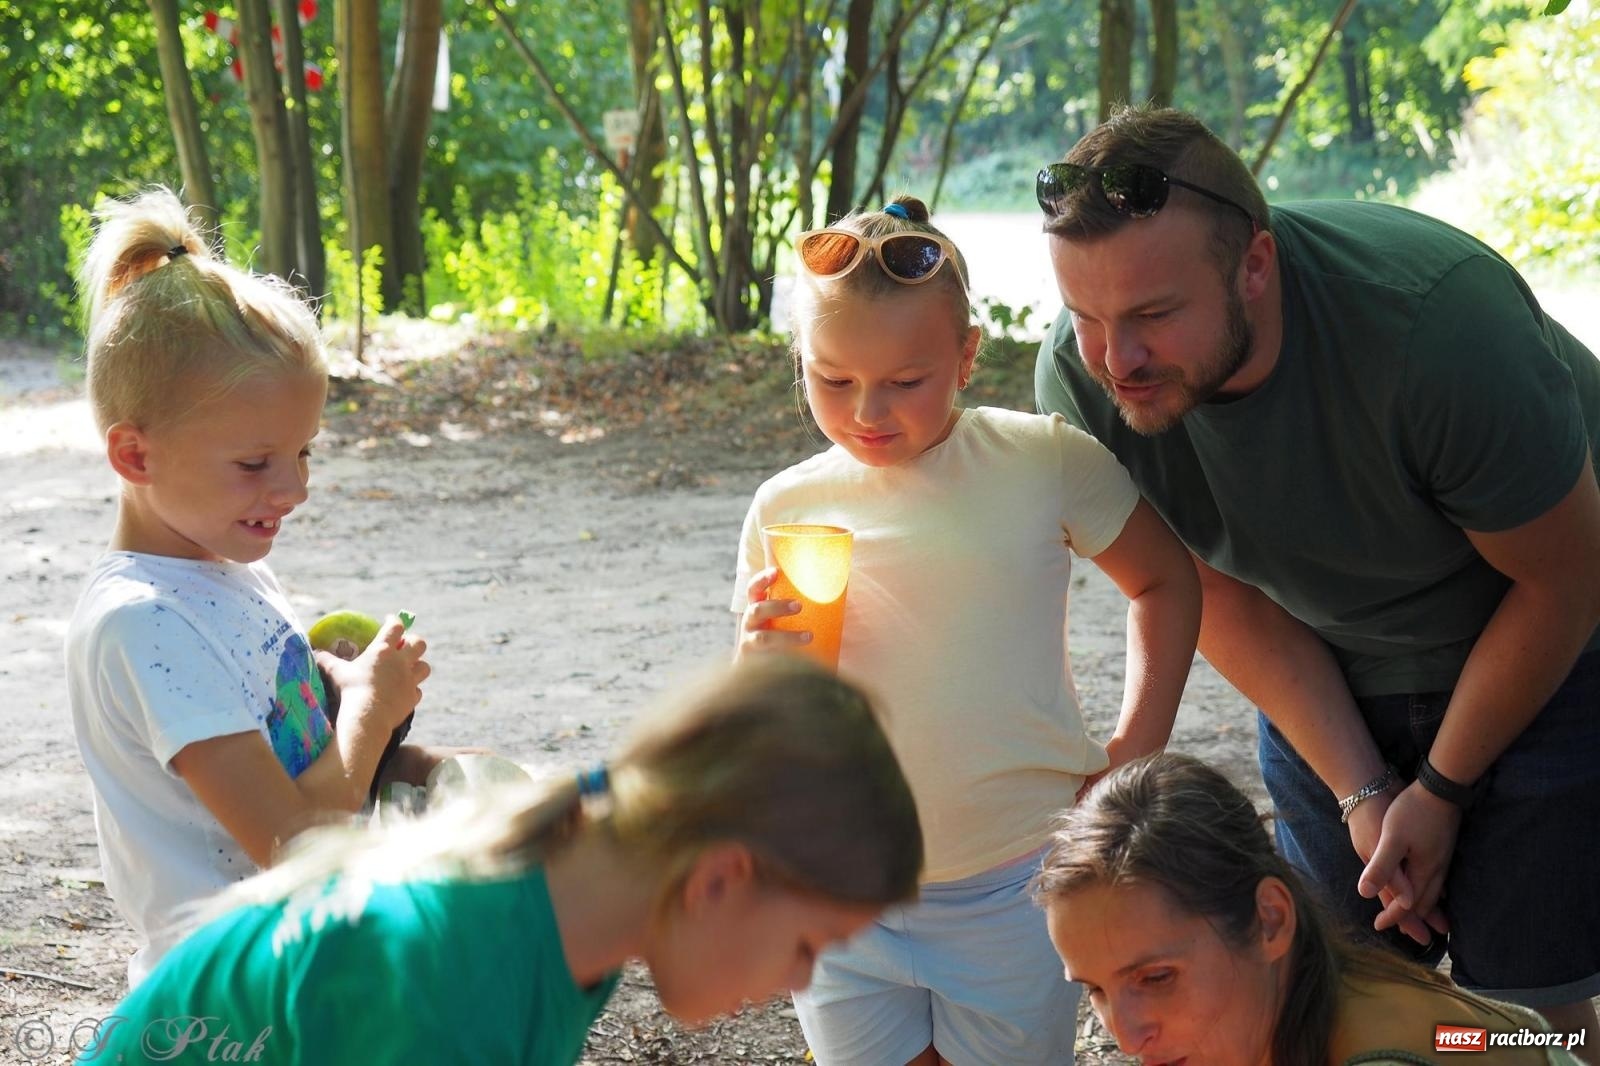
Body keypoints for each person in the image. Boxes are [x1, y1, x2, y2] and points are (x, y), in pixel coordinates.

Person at [1033, 104, 1600, 1048]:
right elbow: (1213, 590)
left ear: (1256, 264)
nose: (1114, 361)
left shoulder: (1435, 329)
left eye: (1153, 316)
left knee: (1525, 1008)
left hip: (1550, 641)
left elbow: (1567, 582)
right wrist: (1366, 792)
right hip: (1326, 664)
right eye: (1086, 317)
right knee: (1331, 985)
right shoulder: (1083, 375)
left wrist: (1445, 789)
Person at [735, 196, 1201, 1065]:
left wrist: (1134, 745)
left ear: (966, 355)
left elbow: (1166, 581)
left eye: (905, 381)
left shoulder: (1039, 460)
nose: (868, 409)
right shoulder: (786, 506)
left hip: (1014, 889)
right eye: (832, 380)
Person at [76, 657, 925, 1066]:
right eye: (808, 946)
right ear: (720, 878)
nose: (798, 983)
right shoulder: (439, 964)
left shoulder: (561, 932)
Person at [65, 187, 435, 986]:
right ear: (135, 457)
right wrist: (370, 711)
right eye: (255, 464)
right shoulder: (142, 624)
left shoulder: (225, 567)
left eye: (304, 453)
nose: (295, 488)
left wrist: (331, 683)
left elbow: (270, 728)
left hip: (300, 975)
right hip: (233, 1008)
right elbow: (293, 848)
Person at [1036, 752, 1585, 1065]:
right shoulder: (1320, 993)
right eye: (1095, 990)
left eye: (1157, 977)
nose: (1126, 1038)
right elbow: (1498, 1038)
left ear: (1270, 919)